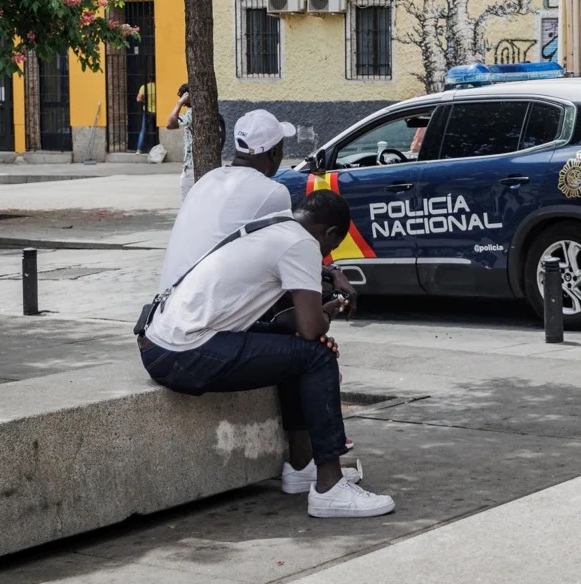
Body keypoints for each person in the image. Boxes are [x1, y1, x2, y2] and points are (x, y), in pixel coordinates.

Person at [138, 189, 394, 518]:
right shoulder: (301, 244)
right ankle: (330, 488)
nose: (326, 255)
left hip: (162, 342)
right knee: (317, 356)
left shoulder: (277, 224)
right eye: (331, 247)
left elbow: (293, 324)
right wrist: (333, 307)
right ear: (329, 234)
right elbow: (311, 327)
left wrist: (327, 280)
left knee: (301, 351)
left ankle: (302, 467)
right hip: (183, 353)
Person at [158, 109, 296, 291]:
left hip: (167, 303)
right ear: (275, 152)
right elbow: (285, 256)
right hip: (205, 310)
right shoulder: (273, 192)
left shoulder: (207, 179)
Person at [166, 83, 194, 202]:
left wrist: (179, 103)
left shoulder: (191, 114)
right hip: (196, 167)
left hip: (191, 167)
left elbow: (170, 124)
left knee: (187, 205)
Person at [135, 80, 157, 155]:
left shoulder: (144, 87)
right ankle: (156, 147)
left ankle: (139, 149)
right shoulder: (158, 86)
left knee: (143, 130)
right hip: (156, 112)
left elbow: (138, 99)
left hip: (147, 111)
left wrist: (144, 99)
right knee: (156, 130)